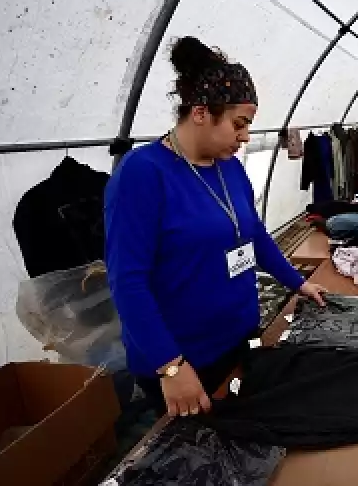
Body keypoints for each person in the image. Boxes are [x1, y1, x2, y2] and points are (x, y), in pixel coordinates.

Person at [104, 36, 327, 418]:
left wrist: (297, 282)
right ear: (201, 113)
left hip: (237, 336)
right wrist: (170, 365)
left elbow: (253, 234)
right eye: (239, 124)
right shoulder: (142, 174)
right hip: (184, 359)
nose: (245, 137)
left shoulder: (229, 167)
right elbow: (128, 282)